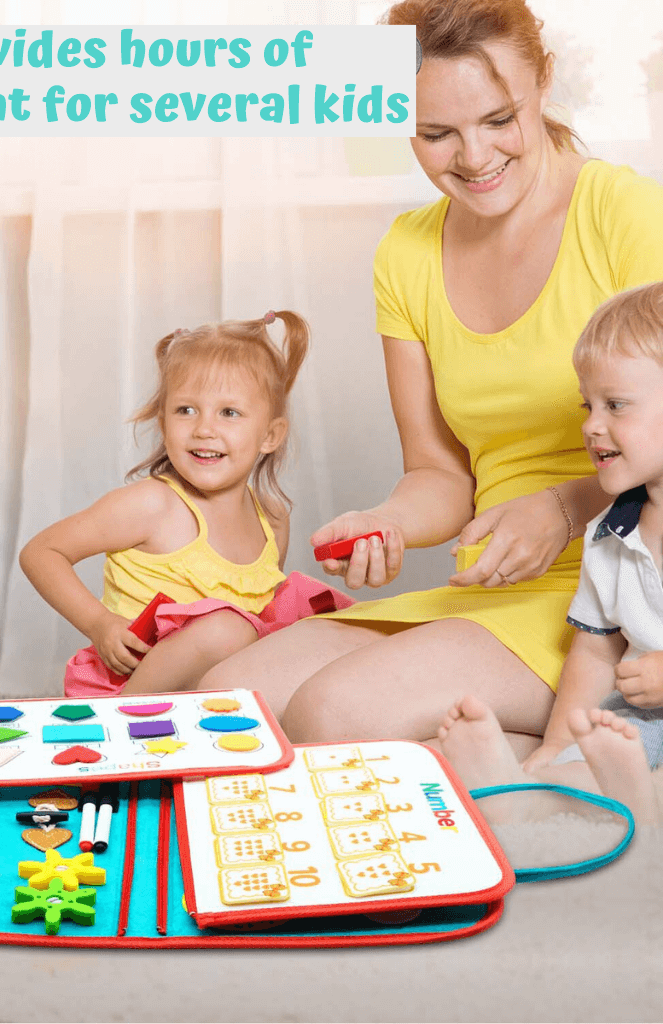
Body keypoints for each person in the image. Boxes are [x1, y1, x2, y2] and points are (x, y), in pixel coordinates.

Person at [200, 0, 663, 754]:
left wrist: (559, 508)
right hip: (492, 584)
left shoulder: (626, 212)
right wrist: (390, 521)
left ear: (543, 82)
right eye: (436, 133)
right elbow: (439, 472)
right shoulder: (406, 254)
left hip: (615, 594)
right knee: (222, 704)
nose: (473, 157)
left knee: (334, 712)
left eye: (498, 119)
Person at [19, 311, 351, 697]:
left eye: (229, 413)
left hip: (214, 697)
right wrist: (100, 623)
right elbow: (41, 552)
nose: (204, 429)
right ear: (163, 424)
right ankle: (123, 721)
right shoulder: (153, 505)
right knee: (227, 629)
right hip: (132, 686)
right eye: (186, 410)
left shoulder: (272, 520)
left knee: (327, 626)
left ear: (270, 435)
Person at [439, 284, 663, 825]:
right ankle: (526, 786)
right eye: (589, 405)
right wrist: (556, 742)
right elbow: (595, 653)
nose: (590, 425)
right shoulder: (609, 535)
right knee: (580, 761)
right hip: (643, 721)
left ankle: (632, 801)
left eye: (616, 405)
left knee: (615, 764)